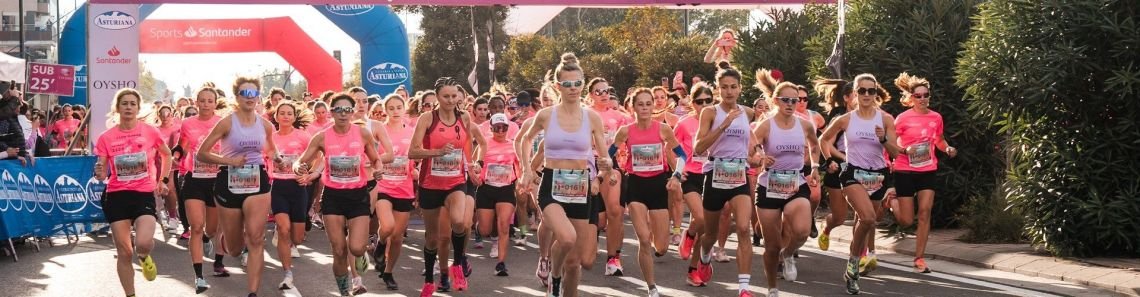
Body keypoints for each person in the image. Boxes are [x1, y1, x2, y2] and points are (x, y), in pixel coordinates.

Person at [517, 53, 612, 297]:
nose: (573, 88)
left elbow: (604, 158)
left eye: (578, 83)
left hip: (580, 187)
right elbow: (525, 142)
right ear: (558, 86)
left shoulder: (592, 117)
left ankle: (562, 283)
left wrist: (602, 172)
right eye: (567, 84)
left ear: (583, 83)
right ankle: (554, 276)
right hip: (552, 184)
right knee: (567, 238)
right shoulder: (547, 115)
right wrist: (527, 170)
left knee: (575, 262)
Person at [293, 93, 388, 296]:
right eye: (339, 110)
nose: (343, 114)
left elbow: (376, 159)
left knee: (356, 248)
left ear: (353, 112)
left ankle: (361, 253)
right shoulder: (321, 137)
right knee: (338, 250)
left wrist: (378, 169)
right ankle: (344, 289)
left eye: (347, 110)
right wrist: (298, 168)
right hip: (333, 196)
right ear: (332, 112)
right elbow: (301, 160)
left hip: (358, 195)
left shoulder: (363, 134)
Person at [196, 77, 283, 297]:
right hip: (228, 181)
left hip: (257, 180)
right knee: (234, 249)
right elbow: (202, 153)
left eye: (253, 93)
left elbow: (271, 150)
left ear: (258, 97)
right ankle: (227, 239)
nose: (250, 97)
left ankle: (252, 292)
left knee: (255, 237)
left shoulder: (265, 125)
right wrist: (230, 161)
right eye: (245, 93)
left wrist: (279, 158)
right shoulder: (227, 122)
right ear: (237, 97)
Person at [819, 73, 901, 295]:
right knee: (868, 217)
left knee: (865, 224)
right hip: (852, 173)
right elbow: (823, 140)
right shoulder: (846, 119)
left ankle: (853, 260)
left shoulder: (885, 119)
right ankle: (855, 265)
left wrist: (884, 139)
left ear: (876, 93)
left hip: (878, 176)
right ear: (854, 93)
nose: (866, 95)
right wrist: (829, 161)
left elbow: (895, 152)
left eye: (870, 91)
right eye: (862, 91)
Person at [408, 77, 487, 296]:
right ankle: (428, 280)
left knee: (460, 221)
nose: (451, 100)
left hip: (456, 181)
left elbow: (467, 145)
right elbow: (412, 152)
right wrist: (437, 152)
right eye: (446, 96)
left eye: (454, 96)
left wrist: (472, 166)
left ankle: (458, 264)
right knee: (432, 237)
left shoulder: (464, 117)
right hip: (430, 184)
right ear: (438, 97)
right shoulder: (427, 118)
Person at [93, 88, 172, 297]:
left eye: (132, 104)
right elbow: (101, 171)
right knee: (124, 252)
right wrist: (99, 171)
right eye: (124, 103)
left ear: (138, 108)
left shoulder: (150, 131)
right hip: (116, 195)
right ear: (117, 108)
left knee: (143, 243)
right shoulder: (106, 137)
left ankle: (145, 257)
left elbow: (167, 154)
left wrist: (163, 180)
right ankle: (130, 294)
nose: (128, 107)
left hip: (143, 193)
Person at [611, 88, 686, 297]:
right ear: (633, 107)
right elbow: (608, 154)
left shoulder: (663, 129)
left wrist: (676, 176)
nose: (644, 108)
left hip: (658, 185)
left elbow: (682, 155)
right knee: (644, 239)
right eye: (640, 104)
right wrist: (610, 170)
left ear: (653, 106)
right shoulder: (625, 131)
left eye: (648, 104)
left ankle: (659, 237)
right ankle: (651, 286)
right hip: (635, 185)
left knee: (660, 246)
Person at [751, 75, 822, 297]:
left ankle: (789, 253)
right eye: (786, 100)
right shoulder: (765, 126)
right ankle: (772, 288)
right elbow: (750, 151)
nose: (791, 104)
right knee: (771, 246)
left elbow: (815, 144)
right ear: (775, 101)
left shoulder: (804, 125)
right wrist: (761, 158)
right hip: (769, 186)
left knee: (801, 231)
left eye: (794, 100)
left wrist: (816, 167)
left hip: (795, 183)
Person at [690, 63, 758, 296]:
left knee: (743, 229)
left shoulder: (748, 113)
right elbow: (698, 147)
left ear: (740, 88)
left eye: (733, 87)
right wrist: (724, 124)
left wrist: (757, 155)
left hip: (739, 175)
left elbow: (752, 140)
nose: (729, 91)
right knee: (709, 234)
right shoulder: (710, 112)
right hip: (715, 174)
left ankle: (744, 287)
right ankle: (705, 257)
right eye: (724, 87)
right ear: (718, 89)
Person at [887, 72, 956, 273]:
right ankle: (892, 200)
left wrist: (948, 148)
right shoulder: (902, 119)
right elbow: (892, 142)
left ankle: (919, 259)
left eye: (926, 95)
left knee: (925, 212)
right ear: (911, 98)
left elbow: (939, 140)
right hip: (904, 169)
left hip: (927, 169)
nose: (923, 98)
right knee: (907, 221)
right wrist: (900, 151)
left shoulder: (936, 117)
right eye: (918, 96)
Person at [176, 86, 230, 293]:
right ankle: (198, 276)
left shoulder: (223, 123)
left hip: (217, 180)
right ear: (196, 102)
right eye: (202, 100)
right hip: (194, 179)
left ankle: (213, 249)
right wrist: (177, 155)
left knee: (212, 229)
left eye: (210, 100)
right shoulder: (187, 123)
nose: (206, 104)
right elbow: (183, 145)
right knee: (196, 227)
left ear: (215, 103)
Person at [268, 100, 318, 291]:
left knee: (296, 237)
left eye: (290, 113)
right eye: (282, 113)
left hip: (298, 188)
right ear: (276, 116)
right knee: (283, 228)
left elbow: (319, 155)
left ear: (295, 117)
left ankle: (288, 241)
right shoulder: (271, 138)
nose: (286, 116)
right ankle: (287, 272)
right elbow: (265, 157)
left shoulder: (304, 136)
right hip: (279, 186)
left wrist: (309, 174)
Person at [585, 77, 631, 277]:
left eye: (606, 91)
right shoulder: (584, 115)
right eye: (598, 91)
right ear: (590, 95)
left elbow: (631, 140)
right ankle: (588, 244)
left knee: (615, 212)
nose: (604, 94)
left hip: (612, 163)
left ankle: (613, 258)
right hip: (588, 164)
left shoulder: (620, 117)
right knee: (597, 219)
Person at [374, 94, 416, 290]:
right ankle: (381, 242)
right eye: (391, 108)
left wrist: (415, 169)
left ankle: (389, 271)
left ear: (404, 108)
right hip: (383, 185)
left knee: (398, 237)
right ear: (385, 110)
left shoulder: (413, 132)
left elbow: (417, 156)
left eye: (399, 107)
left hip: (404, 187)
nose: (395, 111)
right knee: (388, 226)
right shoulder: (378, 131)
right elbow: (370, 153)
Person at [475, 113, 522, 277]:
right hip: (486, 188)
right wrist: (477, 177)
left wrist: (521, 181)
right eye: (497, 128)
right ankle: (480, 227)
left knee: (503, 226)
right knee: (485, 229)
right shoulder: (484, 144)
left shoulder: (514, 145)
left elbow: (520, 166)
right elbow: (475, 165)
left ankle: (501, 264)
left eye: (504, 128)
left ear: (508, 129)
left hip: (505, 188)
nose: (500, 131)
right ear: (491, 128)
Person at [676, 84, 715, 274]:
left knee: (704, 224)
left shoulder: (719, 122)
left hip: (712, 174)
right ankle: (692, 236)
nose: (705, 105)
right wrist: (677, 170)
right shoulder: (684, 123)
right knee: (701, 219)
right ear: (693, 103)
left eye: (709, 101)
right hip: (690, 175)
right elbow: (671, 148)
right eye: (700, 102)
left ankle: (690, 236)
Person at [815, 79, 854, 252]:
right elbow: (826, 143)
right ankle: (827, 229)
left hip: (861, 169)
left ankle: (861, 253)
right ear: (846, 98)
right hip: (838, 167)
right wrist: (842, 157)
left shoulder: (874, 116)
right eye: (858, 93)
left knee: (865, 215)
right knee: (839, 217)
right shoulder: (839, 117)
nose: (863, 96)